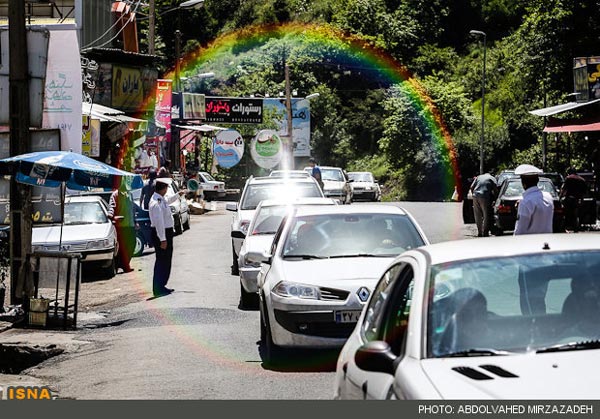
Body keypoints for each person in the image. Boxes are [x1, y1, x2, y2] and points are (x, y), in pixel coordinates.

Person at [149, 178, 187, 297]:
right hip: (162, 233)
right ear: (163, 188)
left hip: (166, 232)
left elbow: (168, 200)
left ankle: (162, 285)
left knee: (166, 260)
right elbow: (159, 222)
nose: (167, 191)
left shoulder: (161, 199)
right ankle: (158, 287)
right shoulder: (156, 203)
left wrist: (178, 194)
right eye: (166, 188)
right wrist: (163, 239)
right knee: (162, 261)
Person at [513, 164, 554, 235]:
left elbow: (520, 230)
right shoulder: (548, 197)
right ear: (537, 180)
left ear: (523, 183)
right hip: (547, 242)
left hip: (531, 244)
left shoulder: (525, 202)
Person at [108, 182, 137, 273]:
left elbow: (132, 209)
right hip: (120, 225)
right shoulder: (115, 194)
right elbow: (112, 207)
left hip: (130, 225)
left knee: (132, 245)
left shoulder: (129, 194)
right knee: (120, 249)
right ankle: (122, 266)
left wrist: (135, 222)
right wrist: (111, 215)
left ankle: (125, 264)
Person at [470, 173, 498, 237]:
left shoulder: (478, 177)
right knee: (486, 214)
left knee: (477, 214)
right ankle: (485, 232)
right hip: (484, 196)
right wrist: (496, 199)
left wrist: (473, 194)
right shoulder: (492, 178)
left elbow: (471, 187)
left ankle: (480, 232)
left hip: (475, 195)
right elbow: (495, 190)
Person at [560, 168, 587, 232]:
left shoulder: (568, 178)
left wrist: (560, 196)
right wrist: (581, 200)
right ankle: (576, 227)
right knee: (576, 214)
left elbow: (563, 189)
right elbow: (584, 192)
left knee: (565, 213)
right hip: (577, 199)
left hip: (569, 198)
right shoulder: (582, 180)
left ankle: (564, 227)